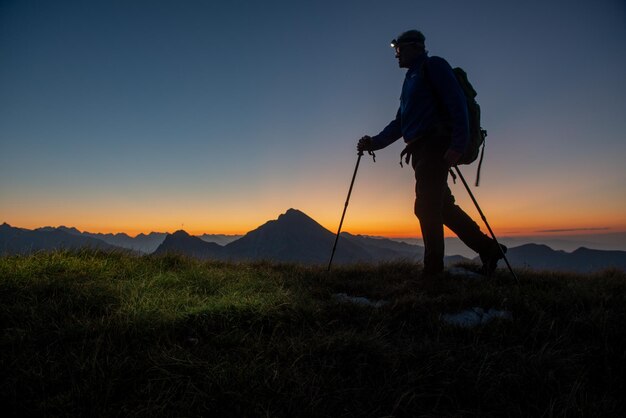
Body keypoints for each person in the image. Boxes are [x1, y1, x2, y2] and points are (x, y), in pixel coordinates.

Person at [357, 29, 505, 278]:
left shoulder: (433, 66)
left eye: (399, 49)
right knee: (441, 206)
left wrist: (457, 146)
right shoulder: (410, 81)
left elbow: (456, 102)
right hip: (421, 151)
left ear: (415, 46)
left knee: (426, 207)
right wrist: (374, 142)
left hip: (435, 146)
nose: (396, 55)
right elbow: (400, 123)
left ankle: (433, 273)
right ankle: (489, 249)